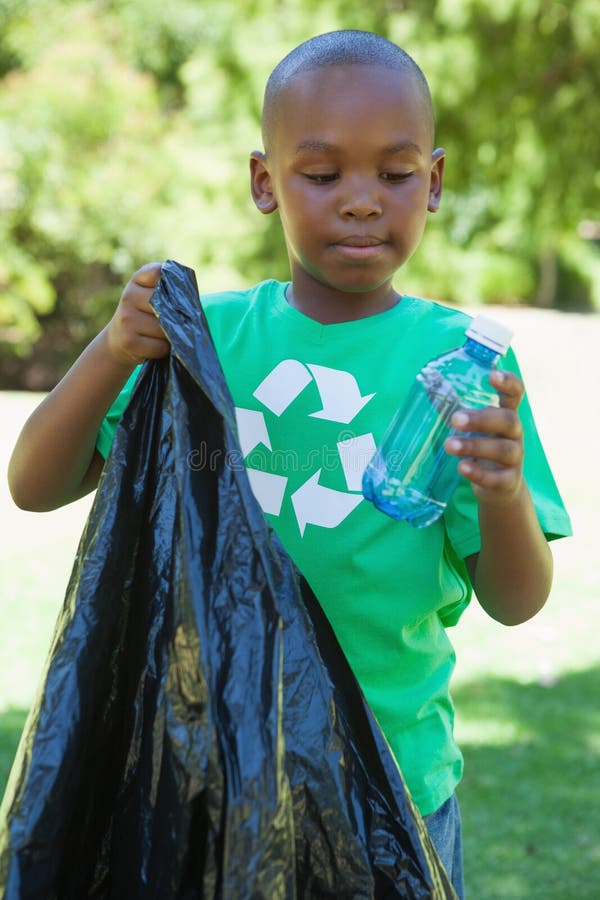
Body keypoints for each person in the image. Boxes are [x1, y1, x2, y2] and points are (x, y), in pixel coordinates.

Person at [8, 30, 571, 898]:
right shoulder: (209, 340)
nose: (360, 202)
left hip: (394, 786)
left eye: (394, 174)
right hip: (211, 775)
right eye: (322, 174)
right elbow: (36, 485)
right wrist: (113, 350)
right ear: (265, 183)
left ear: (436, 180)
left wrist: (500, 493)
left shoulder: (461, 366)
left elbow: (515, 598)